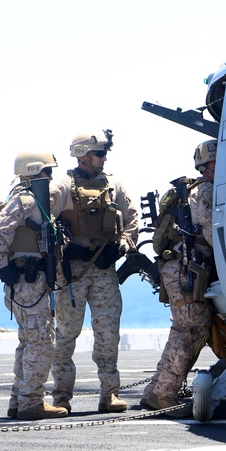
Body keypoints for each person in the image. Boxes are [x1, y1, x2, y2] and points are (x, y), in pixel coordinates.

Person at [50, 131, 139, 414]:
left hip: (104, 270)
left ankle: (109, 394)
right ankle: (61, 395)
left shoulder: (114, 186)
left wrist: (123, 245)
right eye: (99, 153)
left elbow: (132, 219)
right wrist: (64, 250)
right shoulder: (61, 186)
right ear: (83, 154)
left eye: (103, 153)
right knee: (66, 333)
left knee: (108, 332)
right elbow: (45, 222)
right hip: (72, 273)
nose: (103, 158)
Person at [0, 152, 70, 421]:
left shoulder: (29, 199)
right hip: (27, 284)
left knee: (28, 343)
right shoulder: (27, 198)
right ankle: (31, 401)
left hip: (28, 284)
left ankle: (19, 399)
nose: (51, 176)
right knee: (42, 343)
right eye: (47, 171)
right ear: (36, 171)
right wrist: (2, 266)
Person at [140, 139, 217, 417]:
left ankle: (155, 390)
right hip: (187, 268)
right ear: (209, 165)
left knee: (182, 328)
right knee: (193, 327)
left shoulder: (194, 190)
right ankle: (164, 394)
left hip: (178, 267)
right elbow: (212, 233)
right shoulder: (206, 191)